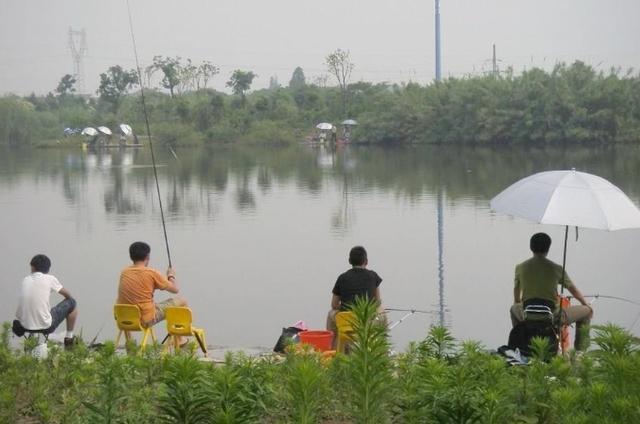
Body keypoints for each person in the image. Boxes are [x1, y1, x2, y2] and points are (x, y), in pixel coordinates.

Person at [510, 232, 593, 351]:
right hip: (553, 317)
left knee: (513, 309)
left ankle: (521, 342)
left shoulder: (520, 267)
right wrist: (586, 304)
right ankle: (580, 352)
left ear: (531, 247)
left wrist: (518, 304)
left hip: (527, 314)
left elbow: (516, 294)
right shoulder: (557, 268)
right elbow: (573, 290)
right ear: (548, 248)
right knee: (587, 311)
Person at [117, 241, 188, 333]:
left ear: (131, 257)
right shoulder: (151, 273)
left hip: (124, 318)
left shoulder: (124, 272)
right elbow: (175, 289)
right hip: (145, 320)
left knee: (128, 305)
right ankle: (180, 339)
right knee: (182, 301)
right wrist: (171, 275)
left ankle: (130, 344)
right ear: (147, 257)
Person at [14, 254, 78, 349]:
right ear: (48, 269)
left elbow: (20, 311)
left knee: (35, 310)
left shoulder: (25, 280)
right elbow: (68, 295)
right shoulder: (50, 279)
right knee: (72, 302)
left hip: (24, 326)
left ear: (32, 267)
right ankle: (69, 338)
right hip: (46, 327)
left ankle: (33, 338)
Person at [326, 246, 386, 346]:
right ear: (366, 261)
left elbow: (334, 304)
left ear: (349, 261)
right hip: (367, 320)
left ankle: (333, 346)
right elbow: (377, 302)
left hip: (346, 320)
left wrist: (346, 306)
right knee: (381, 310)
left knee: (330, 313)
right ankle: (381, 345)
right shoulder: (373, 276)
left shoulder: (342, 278)